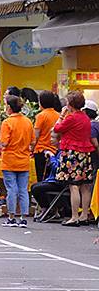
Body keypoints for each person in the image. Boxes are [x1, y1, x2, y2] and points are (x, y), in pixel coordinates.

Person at [54, 91, 95, 227]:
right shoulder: (85, 118)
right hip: (85, 153)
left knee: (74, 186)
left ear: (70, 104)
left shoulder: (71, 118)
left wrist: (61, 115)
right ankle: (84, 214)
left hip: (72, 154)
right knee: (85, 186)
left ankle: (74, 216)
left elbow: (57, 128)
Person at [0, 96, 34, 228]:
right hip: (24, 160)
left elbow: (4, 142)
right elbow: (32, 142)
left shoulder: (7, 123)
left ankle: (11, 217)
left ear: (9, 107)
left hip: (9, 160)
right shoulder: (28, 122)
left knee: (11, 190)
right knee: (23, 190)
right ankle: (23, 217)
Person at [31, 133, 68, 222]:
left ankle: (48, 208)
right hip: (53, 179)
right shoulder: (57, 151)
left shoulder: (62, 153)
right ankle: (47, 208)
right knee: (34, 186)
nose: (50, 139)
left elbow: (57, 168)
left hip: (58, 181)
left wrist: (51, 157)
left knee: (37, 188)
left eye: (53, 138)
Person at [32, 91, 60, 182]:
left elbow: (36, 135)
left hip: (41, 150)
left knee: (41, 178)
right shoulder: (58, 115)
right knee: (50, 178)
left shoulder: (41, 116)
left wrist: (31, 148)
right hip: (55, 151)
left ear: (41, 102)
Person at [82, 100, 99, 174]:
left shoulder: (91, 125)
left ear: (85, 112)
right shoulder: (97, 123)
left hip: (94, 156)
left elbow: (95, 144)